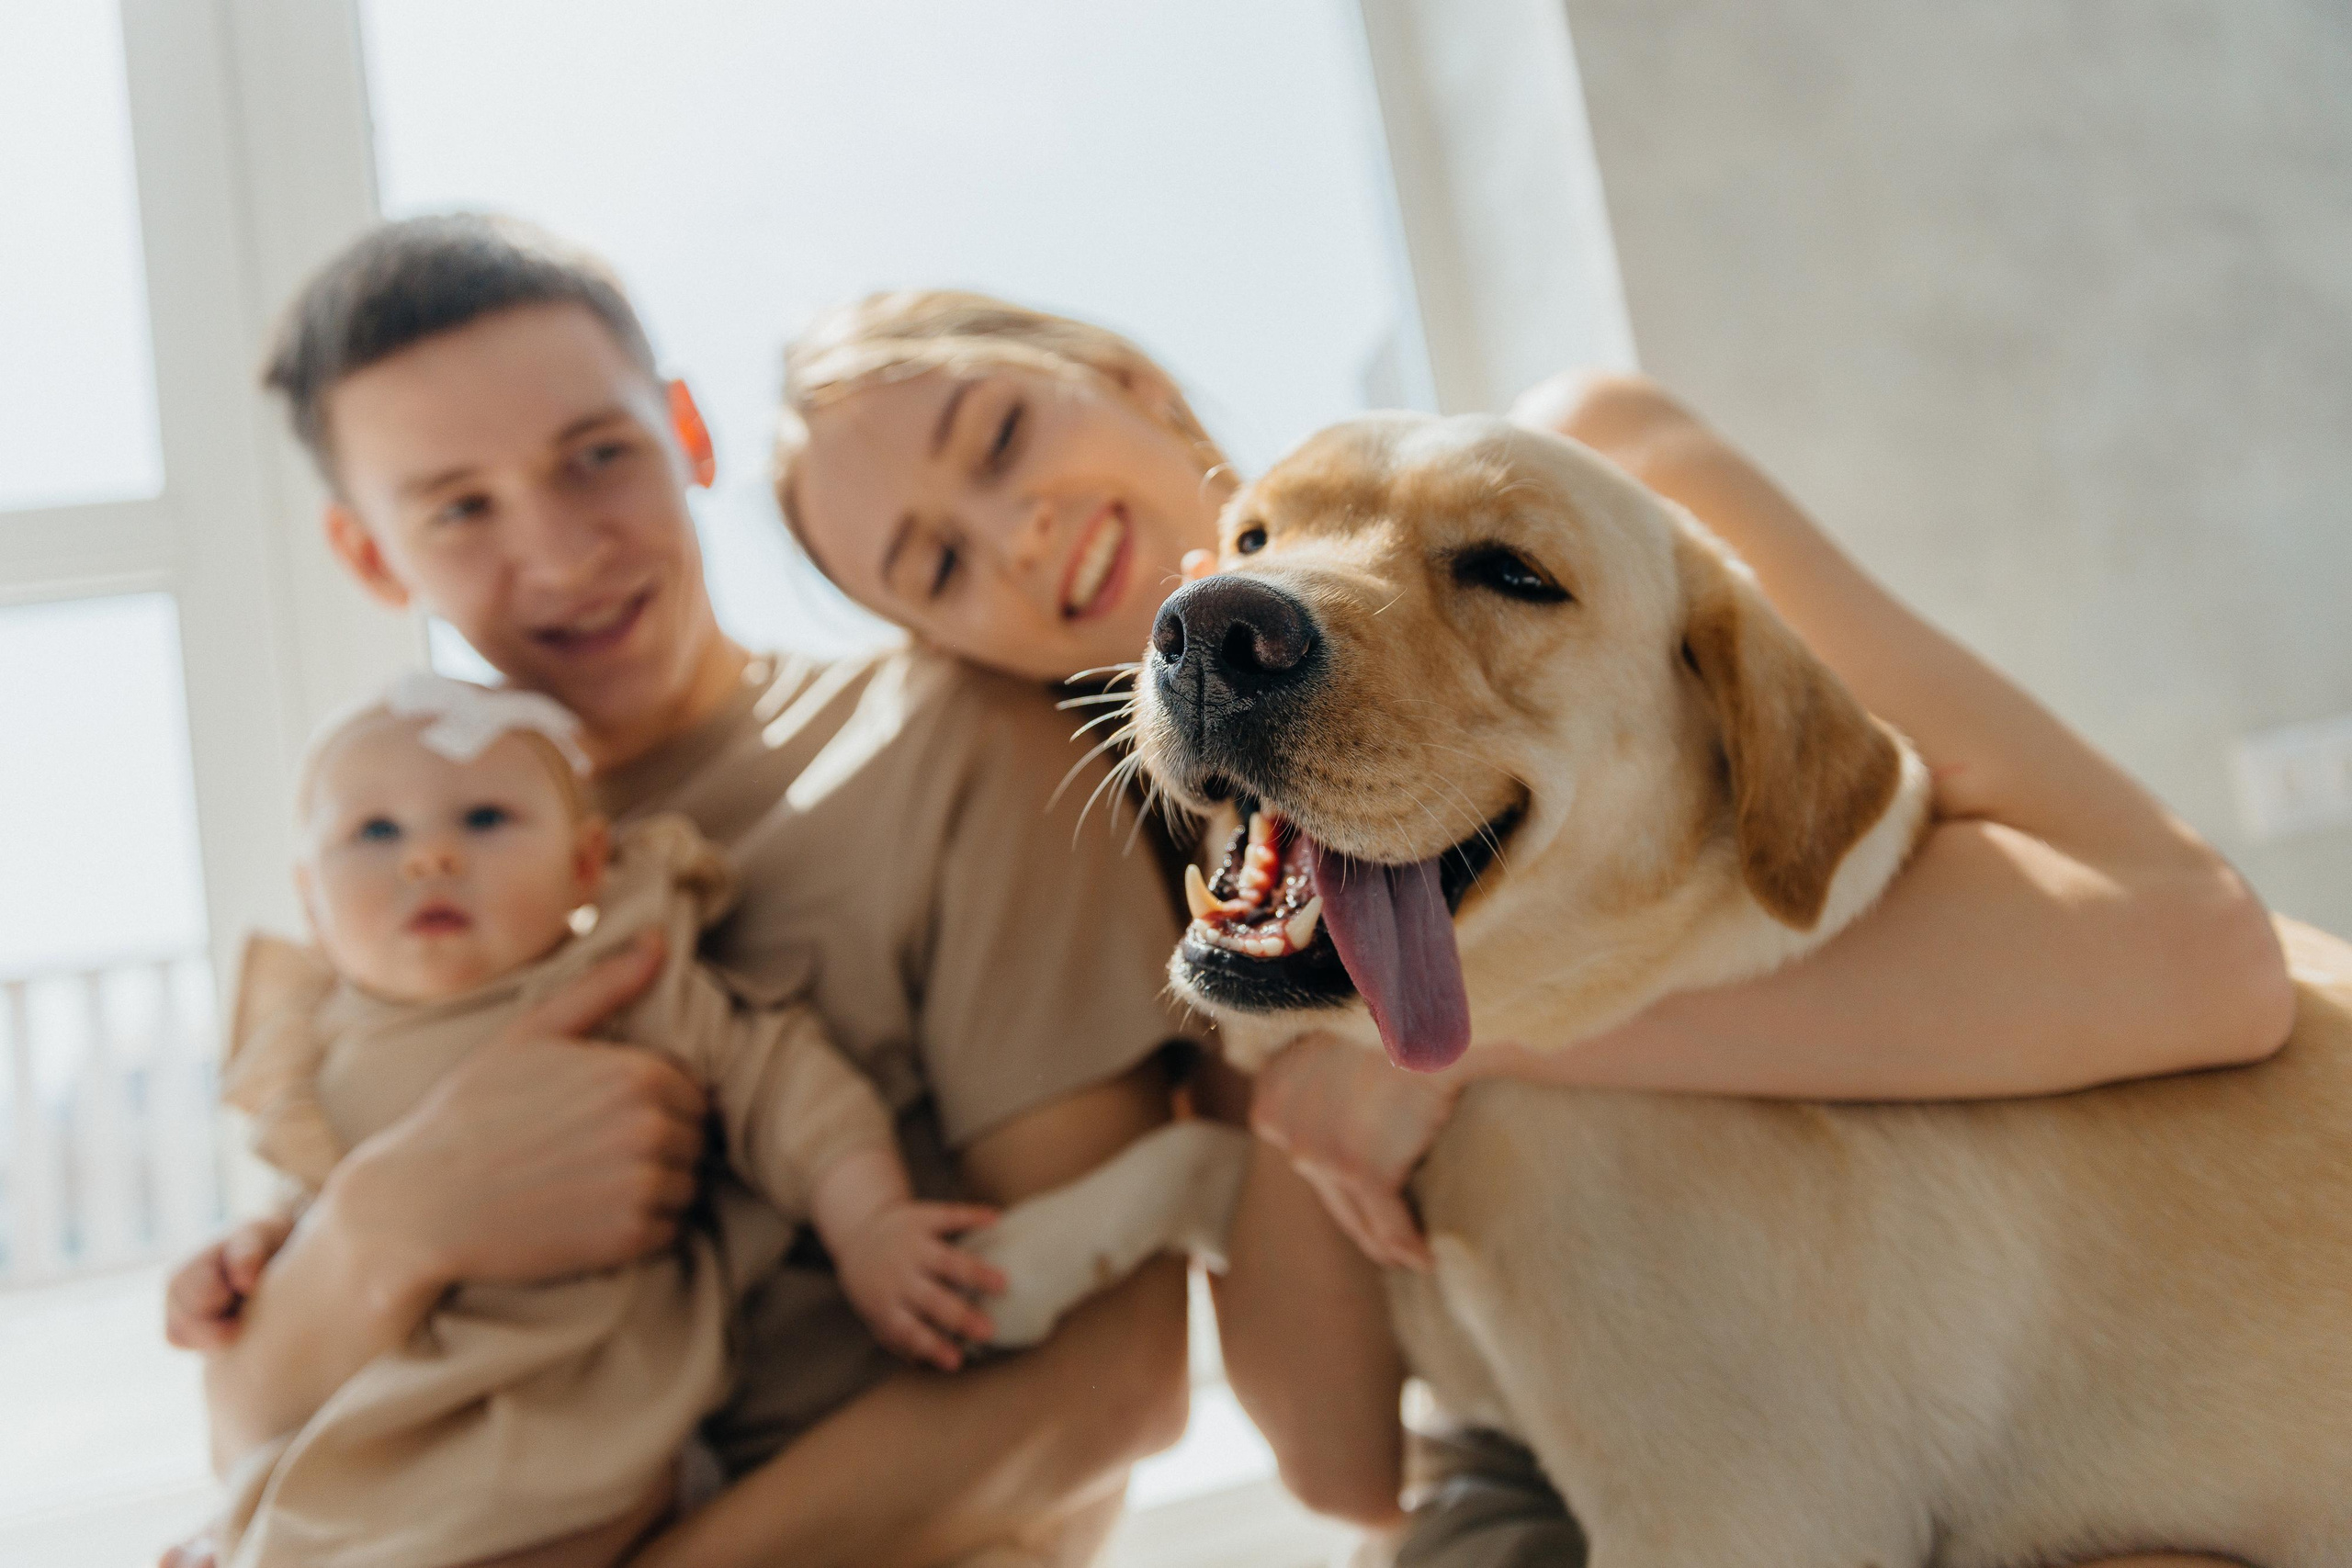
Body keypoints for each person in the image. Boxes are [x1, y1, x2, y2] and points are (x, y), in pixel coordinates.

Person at [770, 289, 2295, 1568]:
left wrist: (1470, 1043)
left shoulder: (1597, 481)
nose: (1017, 529)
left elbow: (2187, 949)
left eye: (1001, 435)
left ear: (1125, 381)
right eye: (941, 565)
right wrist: (1280, 1094)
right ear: (945, 647)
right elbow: (1345, 1461)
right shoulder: (1205, 891)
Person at [164, 219, 1197, 1568]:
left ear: (687, 432)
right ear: (368, 555)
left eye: (597, 455)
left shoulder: (956, 747)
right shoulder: (412, 872)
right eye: (459, 506)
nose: (559, 549)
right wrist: (395, 1213)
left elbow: (1107, 1385)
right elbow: (251, 1412)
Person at [209, 675, 1022, 1566]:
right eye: (374, 831)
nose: (428, 856)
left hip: (581, 1429)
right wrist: (239, 1259)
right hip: (398, 1424)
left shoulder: (625, 983)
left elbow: (786, 1083)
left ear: (586, 863)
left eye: (483, 820)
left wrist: (869, 1222)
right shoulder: (316, 1050)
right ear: (309, 897)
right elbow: (307, 1219)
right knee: (309, 1525)